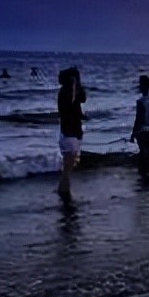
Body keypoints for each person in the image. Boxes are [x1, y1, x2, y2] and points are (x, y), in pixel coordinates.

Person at [56, 66, 86, 200]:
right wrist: (77, 83)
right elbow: (82, 97)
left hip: (68, 132)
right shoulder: (69, 92)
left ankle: (63, 189)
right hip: (70, 133)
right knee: (68, 167)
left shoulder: (65, 92)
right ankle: (63, 191)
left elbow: (82, 98)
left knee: (68, 165)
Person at [129, 75, 149, 176]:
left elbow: (138, 118)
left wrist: (133, 133)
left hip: (142, 130)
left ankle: (143, 171)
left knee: (142, 151)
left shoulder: (140, 101)